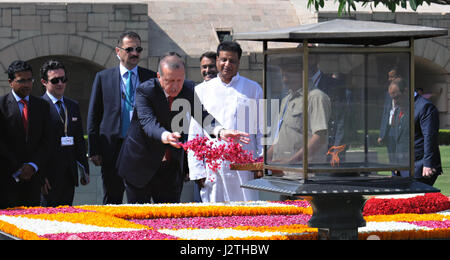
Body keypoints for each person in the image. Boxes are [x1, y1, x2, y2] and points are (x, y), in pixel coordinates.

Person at [116, 52, 249, 204]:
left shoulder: (188, 88)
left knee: (170, 219)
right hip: (140, 163)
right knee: (139, 218)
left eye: (179, 80)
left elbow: (202, 115)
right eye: (169, 80)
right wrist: (165, 136)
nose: (175, 86)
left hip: (169, 168)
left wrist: (221, 131)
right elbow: (148, 122)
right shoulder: (145, 90)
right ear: (159, 77)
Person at [188, 41, 263, 202]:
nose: (227, 64)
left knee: (247, 214)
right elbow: (194, 133)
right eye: (223, 60)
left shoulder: (253, 88)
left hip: (244, 167)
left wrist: (260, 162)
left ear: (239, 63)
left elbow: (262, 128)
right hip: (213, 168)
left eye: (232, 61)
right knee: (215, 218)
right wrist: (197, 170)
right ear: (216, 60)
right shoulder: (201, 90)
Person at [87, 31, 157, 204]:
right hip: (112, 146)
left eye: (138, 49)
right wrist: (94, 148)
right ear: (118, 51)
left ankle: (141, 232)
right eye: (129, 49)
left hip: (141, 146)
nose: (134, 53)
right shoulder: (103, 77)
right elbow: (94, 114)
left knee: (140, 200)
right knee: (112, 197)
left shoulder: (151, 77)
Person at [0, 60, 52, 209]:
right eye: (21, 80)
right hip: (7, 179)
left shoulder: (42, 106)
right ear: (11, 82)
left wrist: (33, 165)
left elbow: (47, 140)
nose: (27, 84)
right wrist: (18, 168)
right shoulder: (2, 105)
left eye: (30, 80)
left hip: (33, 180)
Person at [40, 60, 90, 207]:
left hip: (69, 173)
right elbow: (35, 144)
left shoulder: (72, 105)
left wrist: (84, 169)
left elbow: (79, 139)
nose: (60, 83)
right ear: (44, 82)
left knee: (67, 216)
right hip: (49, 176)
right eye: (55, 80)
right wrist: (40, 176)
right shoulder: (39, 106)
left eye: (63, 79)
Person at [267, 58, 331, 167]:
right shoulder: (286, 100)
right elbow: (280, 136)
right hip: (282, 171)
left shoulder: (316, 97)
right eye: (283, 71)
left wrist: (292, 161)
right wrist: (264, 160)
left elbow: (320, 137)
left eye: (290, 71)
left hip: (303, 172)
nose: (284, 76)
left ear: (303, 72)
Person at [414, 87, 443, 186]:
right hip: (404, 164)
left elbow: (429, 136)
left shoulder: (425, 106)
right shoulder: (401, 105)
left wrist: (428, 163)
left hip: (420, 165)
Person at [378, 66, 403, 163]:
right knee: (392, 158)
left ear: (399, 77)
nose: (389, 79)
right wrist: (382, 134)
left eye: (392, 77)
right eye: (389, 77)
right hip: (390, 130)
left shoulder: (404, 93)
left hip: (400, 129)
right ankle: (394, 176)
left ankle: (401, 177)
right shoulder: (388, 94)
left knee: (401, 158)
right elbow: (385, 114)